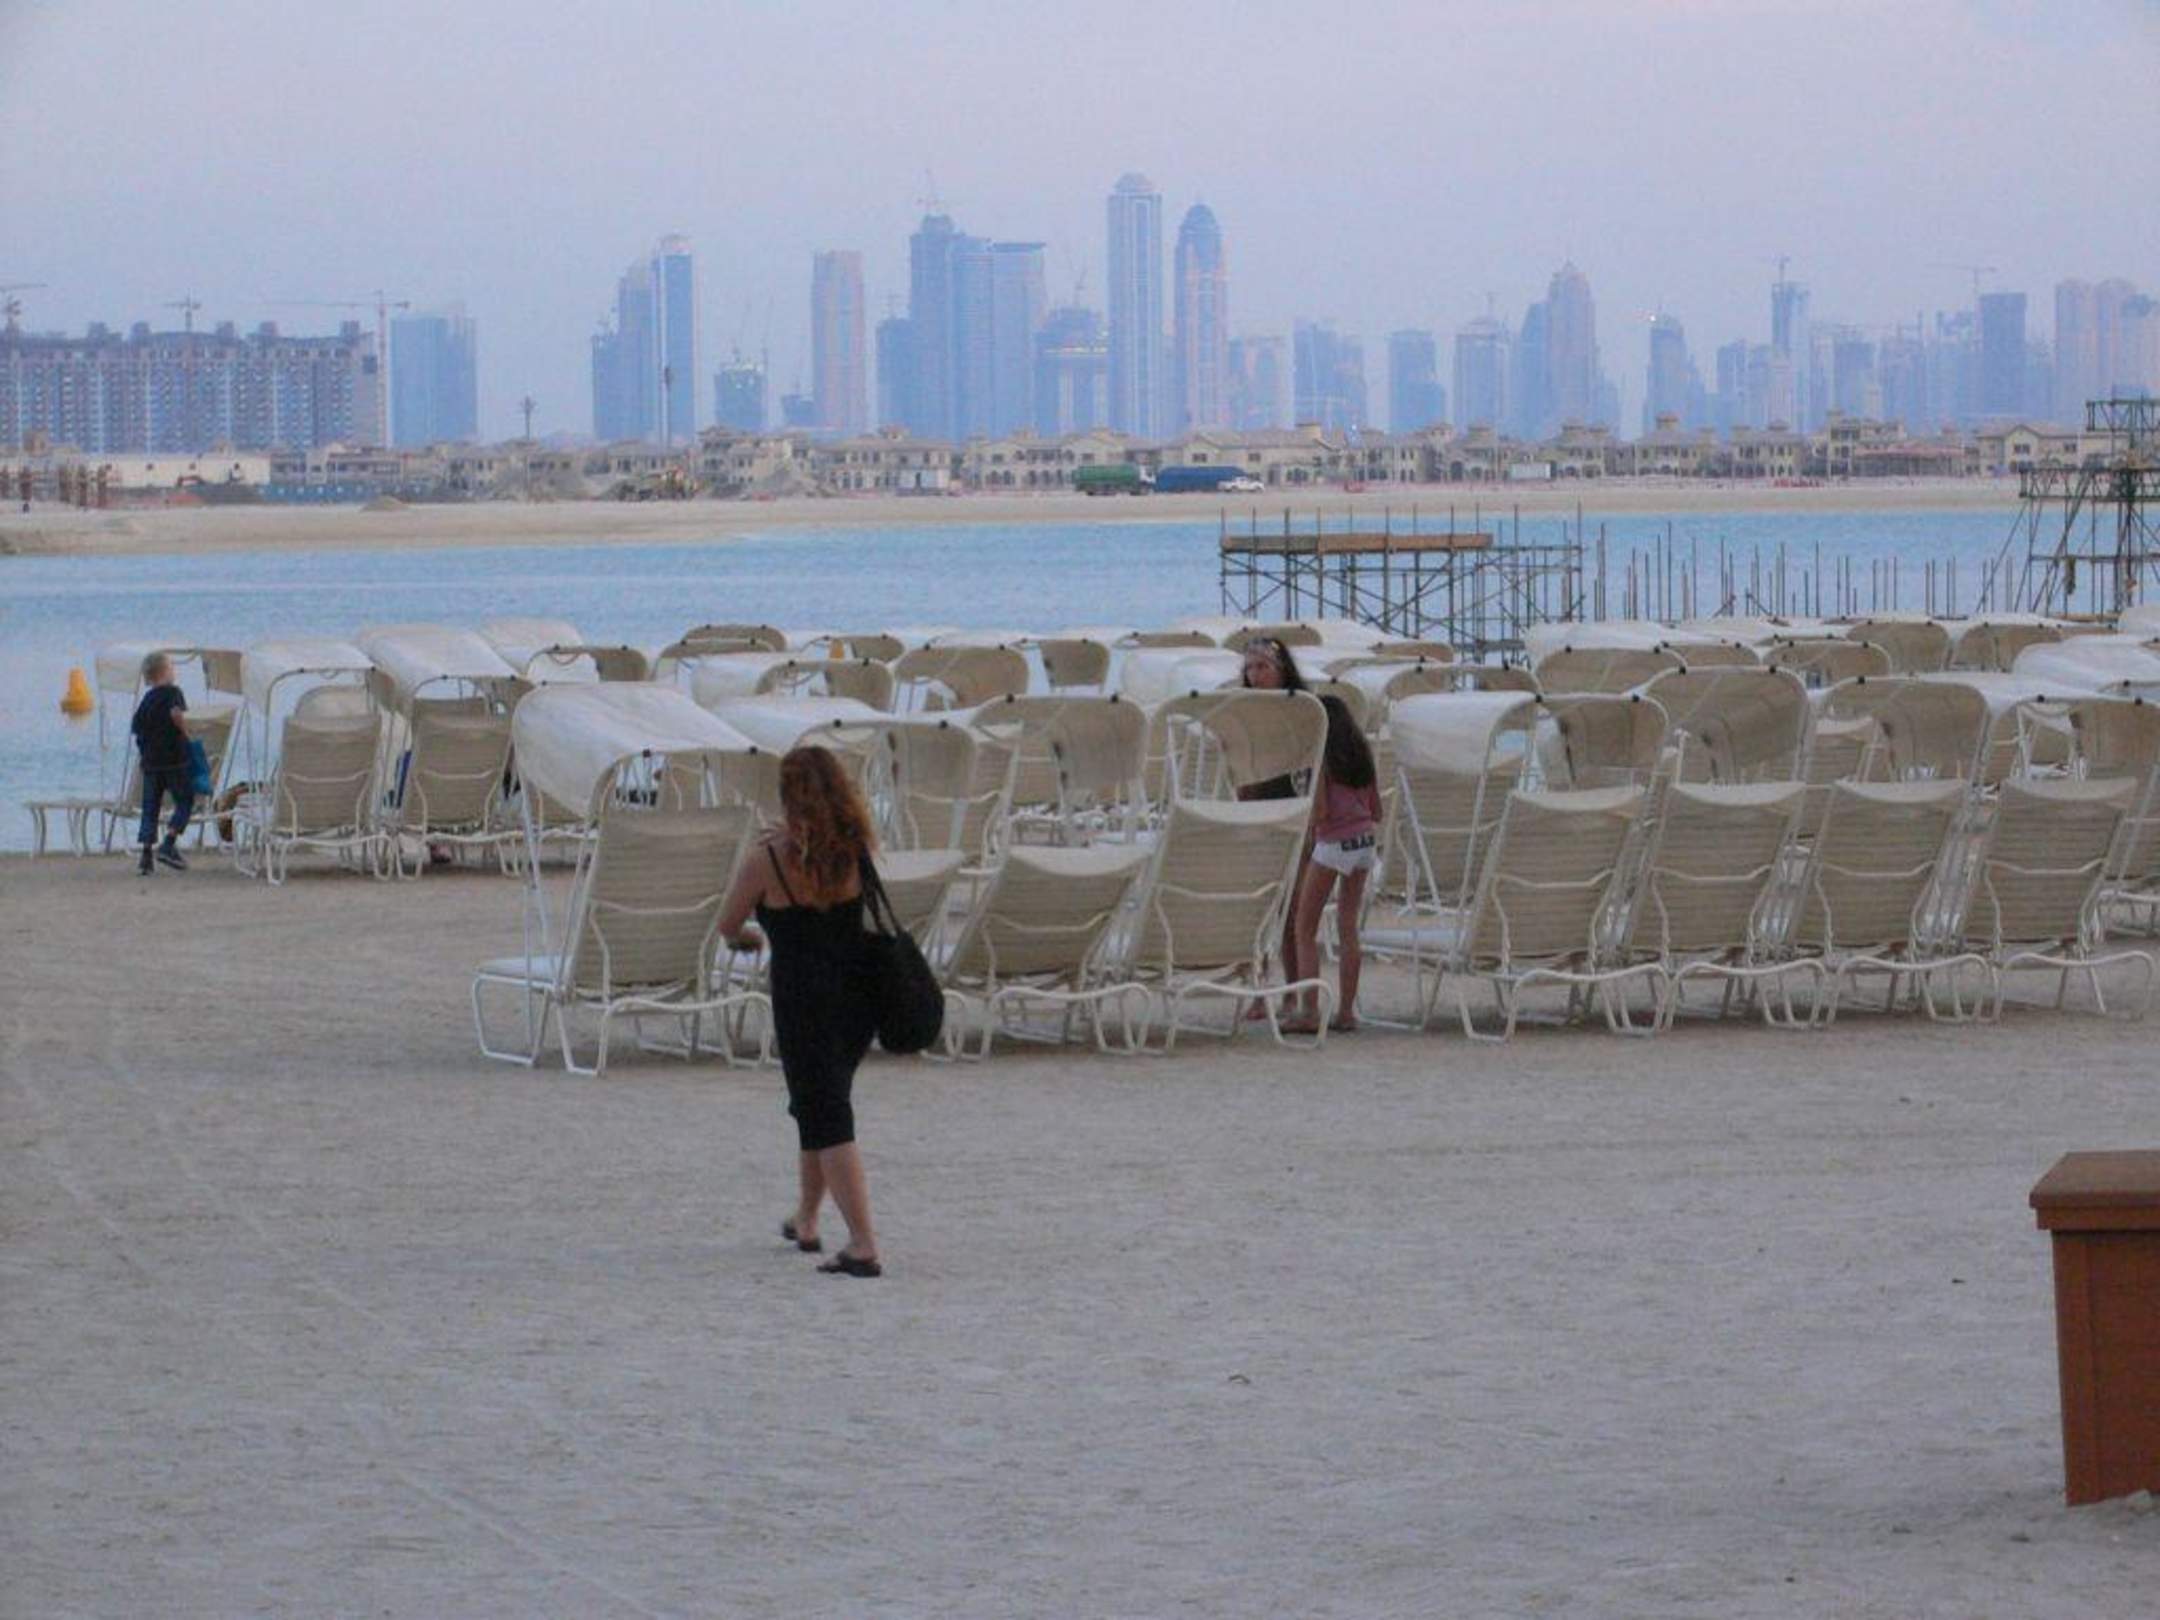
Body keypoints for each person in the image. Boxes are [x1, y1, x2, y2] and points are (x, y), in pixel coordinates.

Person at [718, 746, 884, 1278]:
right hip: (857, 998)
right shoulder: (856, 851)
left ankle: (863, 1244)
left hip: (804, 1003)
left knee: (828, 1117)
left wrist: (749, 938)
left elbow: (728, 922)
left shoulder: (767, 861)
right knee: (818, 1105)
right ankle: (807, 1219)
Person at [1284, 697, 1381, 1034]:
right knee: (1347, 926)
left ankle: (1309, 1011)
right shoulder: (1363, 756)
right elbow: (1377, 810)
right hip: (1365, 842)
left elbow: (1322, 811)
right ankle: (1346, 1012)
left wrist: (1304, 821)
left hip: (1334, 843)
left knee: (1304, 928)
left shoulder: (1321, 759)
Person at [130, 652, 193, 875]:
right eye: (172, 667)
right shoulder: (173, 693)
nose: (174, 671)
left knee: (150, 808)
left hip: (151, 763)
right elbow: (176, 714)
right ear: (164, 672)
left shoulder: (147, 700)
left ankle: (146, 857)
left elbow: (136, 727)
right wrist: (186, 732)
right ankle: (168, 843)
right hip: (174, 760)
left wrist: (145, 749)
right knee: (185, 800)